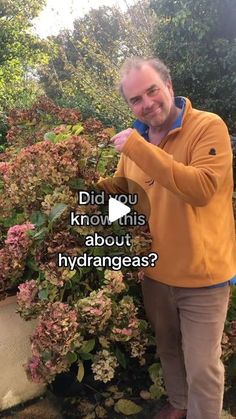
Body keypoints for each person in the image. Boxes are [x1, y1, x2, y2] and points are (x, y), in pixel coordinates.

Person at [98, 57, 236, 419]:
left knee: (204, 365)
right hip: (156, 272)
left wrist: (139, 149)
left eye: (152, 91)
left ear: (169, 85)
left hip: (202, 275)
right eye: (135, 100)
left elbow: (202, 188)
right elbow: (126, 198)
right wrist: (90, 194)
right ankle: (178, 403)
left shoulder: (208, 127)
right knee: (168, 349)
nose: (146, 104)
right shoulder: (137, 141)